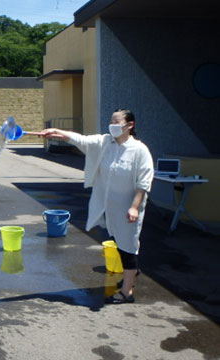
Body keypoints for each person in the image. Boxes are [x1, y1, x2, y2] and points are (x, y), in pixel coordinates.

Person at [40, 109, 153, 304]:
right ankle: (132, 273)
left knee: (128, 247)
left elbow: (144, 182)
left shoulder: (139, 150)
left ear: (130, 125)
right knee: (118, 240)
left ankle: (127, 292)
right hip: (109, 207)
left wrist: (134, 207)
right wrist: (57, 132)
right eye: (111, 120)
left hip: (128, 209)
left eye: (116, 121)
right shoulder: (105, 142)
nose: (112, 124)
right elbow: (81, 140)